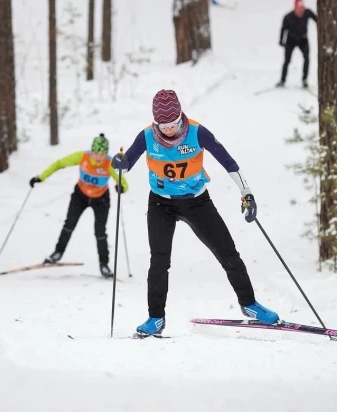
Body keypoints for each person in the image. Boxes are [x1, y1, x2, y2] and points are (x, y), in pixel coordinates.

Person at [111, 89, 280, 337]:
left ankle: (249, 304)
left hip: (197, 202)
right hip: (160, 204)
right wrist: (120, 163)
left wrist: (247, 193)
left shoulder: (197, 132)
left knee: (228, 253)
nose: (168, 129)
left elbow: (228, 162)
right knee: (158, 261)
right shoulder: (147, 136)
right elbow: (127, 163)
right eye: (163, 125)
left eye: (173, 123)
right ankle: (155, 318)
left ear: (181, 116)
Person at [29, 134, 129, 278]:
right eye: (96, 153)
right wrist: (41, 177)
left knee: (100, 232)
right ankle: (57, 253)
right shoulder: (82, 156)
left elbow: (122, 181)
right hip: (80, 196)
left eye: (102, 154)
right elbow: (59, 163)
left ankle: (104, 265)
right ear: (92, 151)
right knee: (69, 224)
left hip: (101, 199)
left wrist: (121, 187)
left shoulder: (110, 163)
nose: (98, 157)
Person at [277, 0, 317, 88]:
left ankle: (304, 80)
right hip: (290, 40)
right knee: (287, 61)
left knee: (306, 58)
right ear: (295, 8)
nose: (301, 11)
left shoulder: (307, 13)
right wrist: (281, 41)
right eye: (299, 9)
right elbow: (283, 29)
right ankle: (282, 80)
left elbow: (317, 20)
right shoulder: (288, 17)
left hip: (303, 39)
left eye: (302, 9)